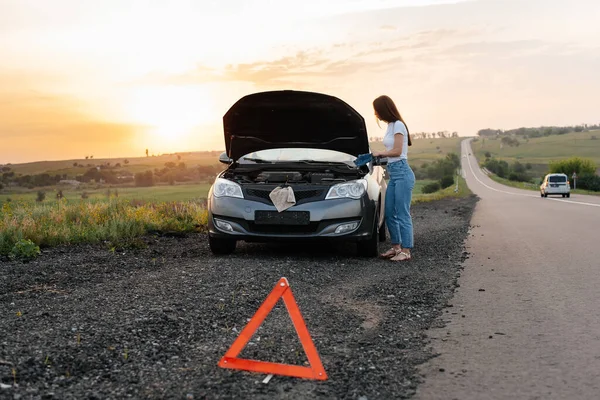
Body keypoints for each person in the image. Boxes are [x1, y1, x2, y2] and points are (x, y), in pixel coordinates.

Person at [371, 95, 415, 262]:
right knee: (389, 212)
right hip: (394, 174)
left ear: (383, 109)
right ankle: (396, 247)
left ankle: (406, 250)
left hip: (403, 173)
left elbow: (397, 151)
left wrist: (381, 153)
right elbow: (391, 152)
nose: (375, 113)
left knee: (402, 213)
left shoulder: (398, 125)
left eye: (376, 110)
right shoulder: (390, 125)